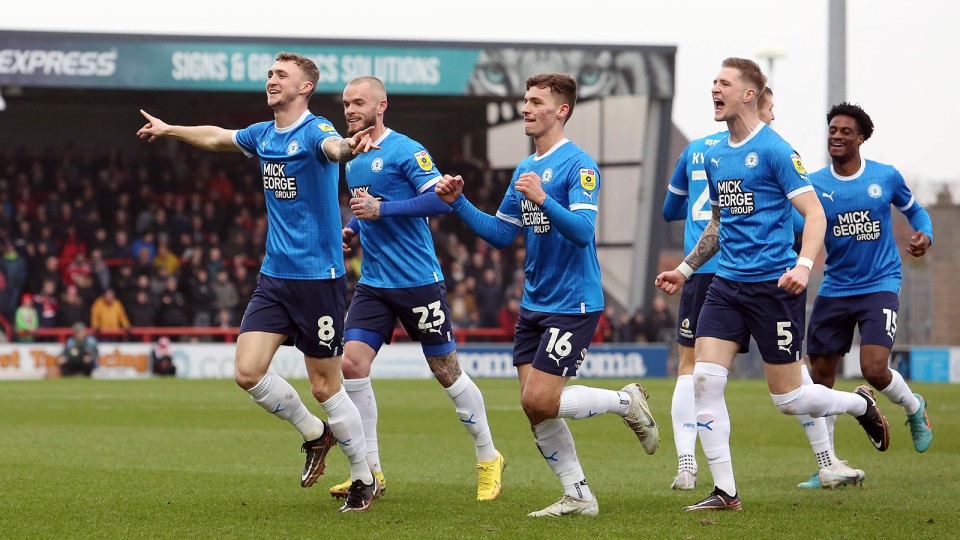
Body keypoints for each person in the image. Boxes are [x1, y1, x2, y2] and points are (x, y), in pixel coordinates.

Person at [136, 51, 382, 512]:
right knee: (247, 372)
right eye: (270, 73)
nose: (271, 80)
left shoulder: (317, 131)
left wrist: (351, 147)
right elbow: (216, 138)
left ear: (305, 87)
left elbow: (335, 149)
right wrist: (171, 129)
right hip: (274, 278)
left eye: (281, 75)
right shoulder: (264, 134)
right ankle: (315, 433)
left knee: (327, 386)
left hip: (318, 280)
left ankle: (363, 477)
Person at [654, 58, 891, 512]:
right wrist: (684, 270)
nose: (714, 89)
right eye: (713, 82)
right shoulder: (717, 155)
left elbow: (816, 214)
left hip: (774, 288)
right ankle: (726, 492)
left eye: (723, 83)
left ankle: (861, 405)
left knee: (789, 399)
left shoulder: (778, 151)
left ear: (749, 94)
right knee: (704, 379)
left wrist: (804, 265)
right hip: (726, 286)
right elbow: (719, 225)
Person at [436, 72, 659, 518]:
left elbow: (582, 232)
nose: (526, 108)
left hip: (574, 301)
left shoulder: (580, 165)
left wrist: (543, 199)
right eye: (525, 100)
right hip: (534, 302)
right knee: (536, 409)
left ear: (562, 110)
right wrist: (458, 203)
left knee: (539, 399)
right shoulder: (524, 168)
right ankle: (578, 494)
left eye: (536, 101)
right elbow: (501, 234)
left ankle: (625, 402)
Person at [333, 76, 504, 502]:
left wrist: (380, 210)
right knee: (351, 366)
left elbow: (439, 201)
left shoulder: (407, 150)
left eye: (359, 103)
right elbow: (366, 204)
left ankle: (489, 457)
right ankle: (370, 472)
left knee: (446, 373)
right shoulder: (353, 157)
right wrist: (352, 228)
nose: (351, 110)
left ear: (381, 105)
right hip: (373, 284)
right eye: (346, 104)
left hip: (417, 283)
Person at [792, 102, 934, 489]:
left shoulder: (885, 177)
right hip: (835, 286)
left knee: (873, 368)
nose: (836, 136)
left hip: (880, 283)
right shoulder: (815, 186)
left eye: (844, 131)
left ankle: (913, 407)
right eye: (832, 130)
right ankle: (830, 464)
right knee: (819, 381)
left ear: (861, 138)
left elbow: (917, 214)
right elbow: (795, 228)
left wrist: (924, 235)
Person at [660, 86, 776, 491]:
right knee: (787, 372)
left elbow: (669, 210)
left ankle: (687, 464)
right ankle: (826, 459)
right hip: (742, 266)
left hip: (704, 268)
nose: (774, 115)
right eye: (772, 107)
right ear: (757, 104)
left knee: (691, 367)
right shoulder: (766, 152)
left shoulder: (695, 149)